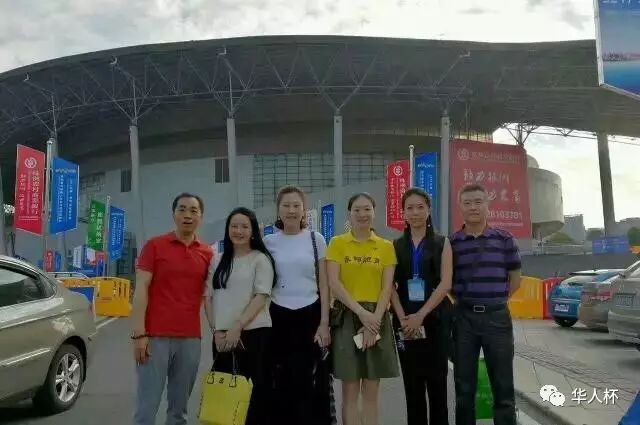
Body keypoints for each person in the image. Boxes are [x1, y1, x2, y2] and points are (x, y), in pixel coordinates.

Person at [131, 193, 213, 425]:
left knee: (179, 409)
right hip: (154, 337)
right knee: (147, 407)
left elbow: (212, 296)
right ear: (174, 214)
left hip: (190, 339)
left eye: (193, 211)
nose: (187, 215)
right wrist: (139, 334)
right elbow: (141, 288)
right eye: (182, 209)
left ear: (201, 217)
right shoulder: (155, 246)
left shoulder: (208, 253)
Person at [451, 184, 522, 425]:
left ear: (487, 205)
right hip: (464, 319)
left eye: (478, 202)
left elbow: (515, 280)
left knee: (503, 385)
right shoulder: (452, 243)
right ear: (460, 206)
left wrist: (495, 300)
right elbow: (448, 282)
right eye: (467, 203)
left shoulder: (505, 239)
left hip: (497, 319)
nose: (473, 207)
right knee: (464, 387)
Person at [326, 192, 399, 425]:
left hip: (377, 317)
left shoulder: (385, 247)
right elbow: (334, 283)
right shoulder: (337, 243)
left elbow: (386, 288)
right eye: (357, 209)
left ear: (374, 212)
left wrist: (374, 321)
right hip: (347, 316)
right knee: (349, 390)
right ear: (349, 213)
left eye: (367, 209)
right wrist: (361, 313)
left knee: (371, 389)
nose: (362, 214)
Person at [264, 186, 334, 425]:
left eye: (296, 205)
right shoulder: (269, 242)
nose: (291, 210)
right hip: (278, 316)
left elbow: (324, 284)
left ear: (304, 210)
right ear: (278, 210)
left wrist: (324, 323)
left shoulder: (316, 239)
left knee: (311, 379)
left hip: (310, 315)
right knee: (280, 378)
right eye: (286, 205)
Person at [204, 207, 276, 425]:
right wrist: (216, 330)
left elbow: (261, 296)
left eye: (244, 226)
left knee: (255, 394)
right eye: (234, 226)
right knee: (226, 395)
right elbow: (208, 297)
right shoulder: (217, 260)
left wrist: (237, 327)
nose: (239, 231)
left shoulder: (260, 259)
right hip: (223, 338)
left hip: (255, 335)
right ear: (227, 230)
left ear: (253, 231)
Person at [390, 188, 453, 425]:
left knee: (437, 385)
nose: (415, 212)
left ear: (428, 211)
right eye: (410, 208)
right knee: (412, 386)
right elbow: (389, 286)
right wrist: (403, 318)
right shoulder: (395, 245)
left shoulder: (442, 243)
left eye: (420, 207)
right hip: (405, 322)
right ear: (403, 213)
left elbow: (445, 283)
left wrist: (421, 315)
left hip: (435, 319)